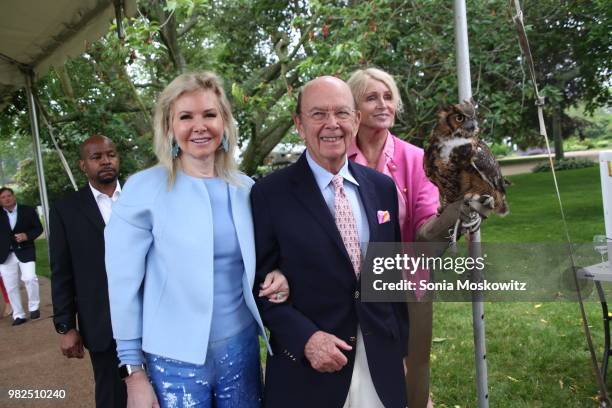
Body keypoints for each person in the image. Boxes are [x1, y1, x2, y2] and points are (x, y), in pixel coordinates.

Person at [104, 71, 289, 408]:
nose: (199, 126)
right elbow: (122, 285)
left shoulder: (246, 188)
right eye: (185, 117)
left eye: (209, 114)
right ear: (169, 127)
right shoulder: (144, 189)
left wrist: (277, 276)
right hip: (173, 362)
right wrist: (134, 373)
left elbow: (262, 260)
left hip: (242, 353)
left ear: (225, 122)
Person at [251, 75, 408, 408]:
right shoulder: (268, 194)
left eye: (341, 113)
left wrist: (401, 353)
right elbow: (258, 288)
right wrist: (306, 340)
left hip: (379, 364)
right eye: (318, 114)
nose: (332, 124)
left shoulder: (381, 188)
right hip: (308, 372)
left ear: (356, 119)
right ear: (299, 123)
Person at [346, 67, 489, 408]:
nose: (383, 104)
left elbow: (426, 227)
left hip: (407, 283)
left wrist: (453, 216)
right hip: (349, 285)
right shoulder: (339, 157)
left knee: (411, 376)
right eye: (371, 97)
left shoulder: (415, 158)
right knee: (356, 376)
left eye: (388, 96)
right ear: (353, 108)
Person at [49, 134, 126, 407]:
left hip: (151, 317)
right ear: (83, 165)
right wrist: (66, 326)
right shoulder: (65, 210)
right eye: (97, 157)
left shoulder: (140, 199)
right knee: (111, 393)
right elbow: (62, 272)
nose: (106, 160)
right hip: (101, 322)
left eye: (111, 154)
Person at [0, 187, 43, 326]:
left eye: (9, 195)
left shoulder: (28, 210)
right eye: (3, 197)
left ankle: (34, 307)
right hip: (5, 255)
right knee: (11, 286)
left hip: (25, 250)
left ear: (14, 196)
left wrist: (27, 236)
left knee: (30, 278)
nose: (7, 199)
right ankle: (18, 315)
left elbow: (38, 228)